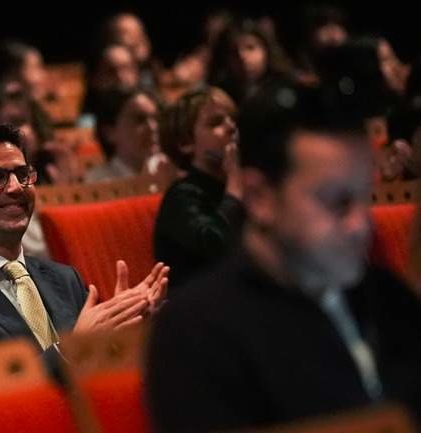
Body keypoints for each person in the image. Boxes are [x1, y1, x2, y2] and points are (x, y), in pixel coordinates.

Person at [145, 93, 421, 433]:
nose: (360, 224)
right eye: (336, 201)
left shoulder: (388, 297)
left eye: (364, 198)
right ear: (261, 198)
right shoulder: (195, 331)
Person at [0, 124, 168, 371]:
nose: (15, 187)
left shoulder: (65, 279)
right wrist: (71, 349)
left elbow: (99, 370)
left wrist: (129, 330)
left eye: (23, 174)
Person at [154, 86, 243, 287]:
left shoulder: (253, 185)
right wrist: (235, 185)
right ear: (186, 143)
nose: (231, 127)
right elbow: (218, 247)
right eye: (216, 123)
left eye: (233, 118)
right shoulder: (182, 196)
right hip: (198, 308)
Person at [85, 86, 174, 183]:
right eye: (140, 120)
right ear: (109, 133)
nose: (153, 127)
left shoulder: (173, 174)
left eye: (156, 118)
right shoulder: (97, 182)